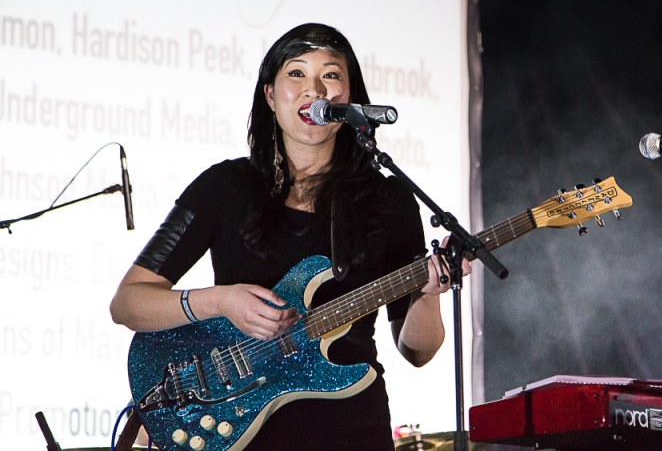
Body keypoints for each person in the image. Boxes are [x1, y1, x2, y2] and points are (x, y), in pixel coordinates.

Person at [110, 23, 470, 450]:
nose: (313, 89)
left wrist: (427, 294)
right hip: (245, 430)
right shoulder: (225, 187)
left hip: (354, 427)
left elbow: (416, 351)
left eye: (330, 75)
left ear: (349, 98)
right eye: (296, 73)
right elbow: (128, 303)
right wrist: (221, 301)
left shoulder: (387, 199)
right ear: (270, 95)